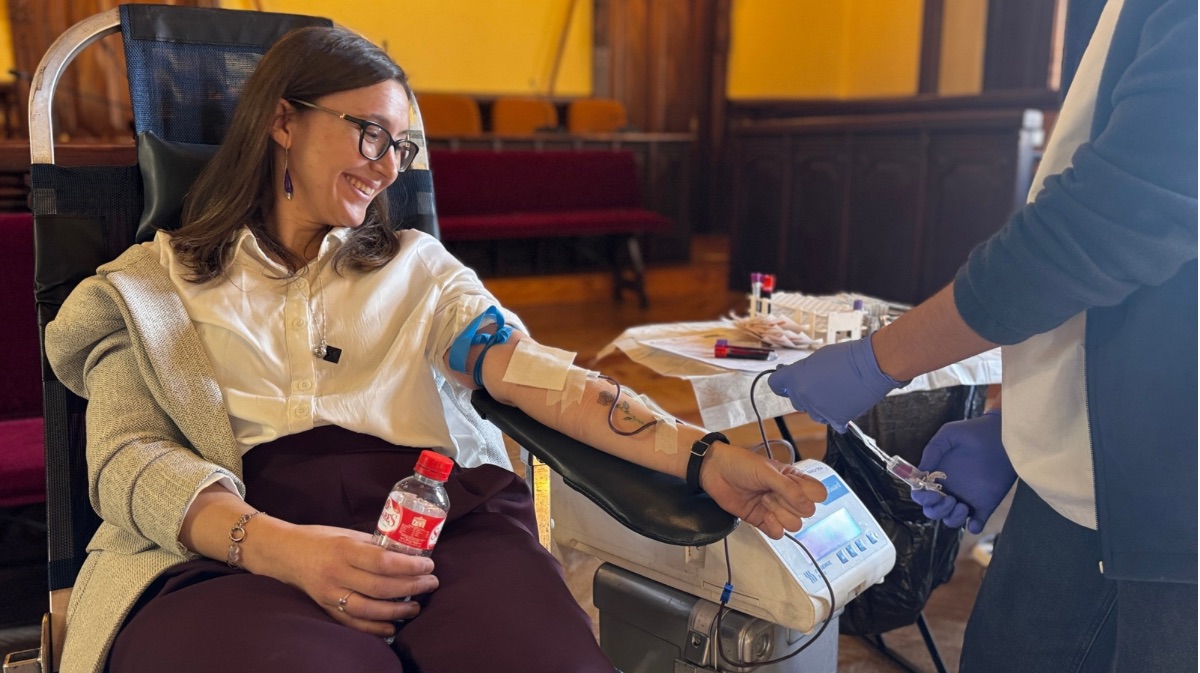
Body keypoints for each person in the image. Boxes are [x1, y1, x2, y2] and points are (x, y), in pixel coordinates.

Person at [44, 26, 828, 673]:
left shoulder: (416, 270)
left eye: (403, 148)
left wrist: (702, 453)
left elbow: (537, 378)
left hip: (441, 525)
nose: (388, 166)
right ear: (284, 120)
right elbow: (125, 460)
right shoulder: (152, 287)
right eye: (371, 133)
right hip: (229, 549)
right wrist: (277, 547)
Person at [767, 0, 1196, 670]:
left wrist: (880, 360)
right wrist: (1028, 418)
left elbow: (1110, 222)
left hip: (1173, 497)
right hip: (1093, 463)